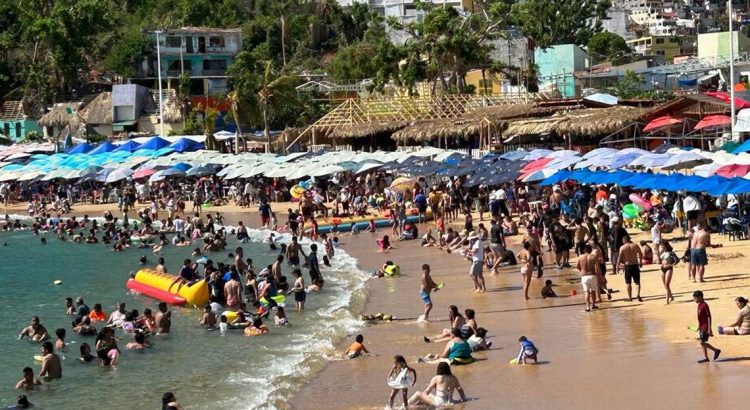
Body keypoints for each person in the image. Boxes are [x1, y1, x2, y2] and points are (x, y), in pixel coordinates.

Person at [694, 290, 721, 363]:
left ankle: (716, 350)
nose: (694, 300)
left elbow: (709, 317)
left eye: (695, 298)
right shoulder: (699, 305)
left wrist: (709, 329)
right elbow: (700, 317)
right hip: (701, 326)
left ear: (700, 297)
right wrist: (699, 326)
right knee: (702, 342)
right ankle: (706, 357)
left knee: (702, 342)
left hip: (705, 327)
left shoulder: (704, 305)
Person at [618, 236, 643, 302]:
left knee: (628, 282)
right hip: (635, 265)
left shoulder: (622, 247)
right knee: (637, 282)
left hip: (627, 266)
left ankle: (630, 297)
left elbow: (619, 258)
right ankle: (638, 294)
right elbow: (640, 254)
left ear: (624, 240)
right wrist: (640, 262)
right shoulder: (635, 245)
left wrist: (617, 266)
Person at [576, 244, 600, 312]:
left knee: (586, 292)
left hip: (584, 276)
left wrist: (582, 270)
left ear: (584, 250)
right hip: (592, 275)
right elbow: (597, 267)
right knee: (593, 291)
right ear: (591, 250)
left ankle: (587, 307)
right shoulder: (593, 257)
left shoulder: (580, 257)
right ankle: (593, 305)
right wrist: (598, 276)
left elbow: (577, 266)